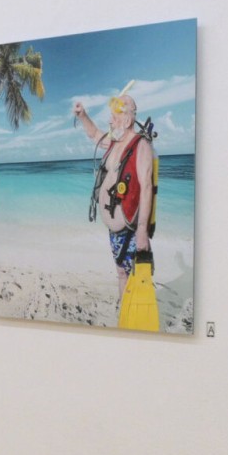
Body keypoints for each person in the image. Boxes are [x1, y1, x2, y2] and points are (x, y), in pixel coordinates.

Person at [73, 87, 156, 302]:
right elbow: (94, 134)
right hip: (115, 230)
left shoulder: (141, 146)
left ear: (127, 120)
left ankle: (133, 313)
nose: (110, 121)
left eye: (114, 117)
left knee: (136, 277)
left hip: (130, 228)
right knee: (121, 273)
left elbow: (147, 187)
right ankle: (123, 313)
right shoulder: (115, 142)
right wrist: (83, 116)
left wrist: (142, 230)